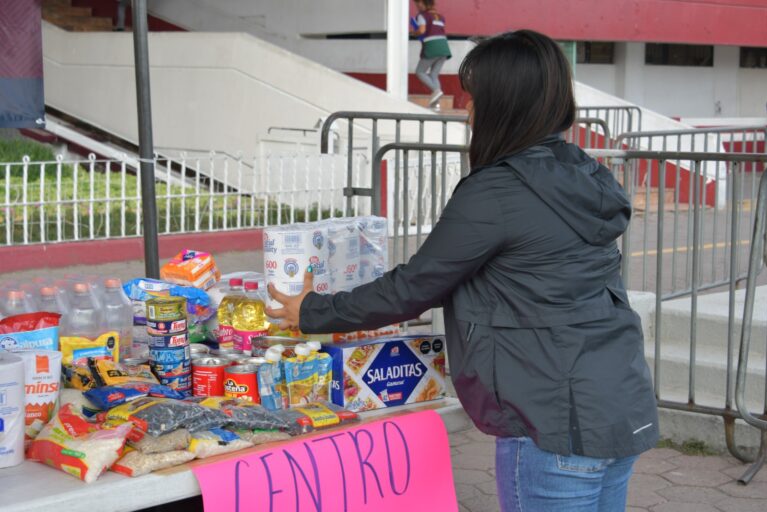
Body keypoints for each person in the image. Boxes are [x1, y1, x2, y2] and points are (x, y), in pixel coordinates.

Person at [267, 29, 658, 512]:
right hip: (618, 404)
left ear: (503, 104)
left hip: (554, 422)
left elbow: (413, 287)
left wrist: (313, 310)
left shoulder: (498, 191)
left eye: (473, 97)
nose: (467, 110)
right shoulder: (584, 172)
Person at [411, 0, 452, 109]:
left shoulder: (422, 15)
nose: (417, 6)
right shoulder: (440, 16)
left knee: (420, 72)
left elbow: (422, 30)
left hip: (432, 47)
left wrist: (413, 32)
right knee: (434, 75)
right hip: (444, 47)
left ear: (426, 3)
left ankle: (436, 90)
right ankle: (436, 104)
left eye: (419, 3)